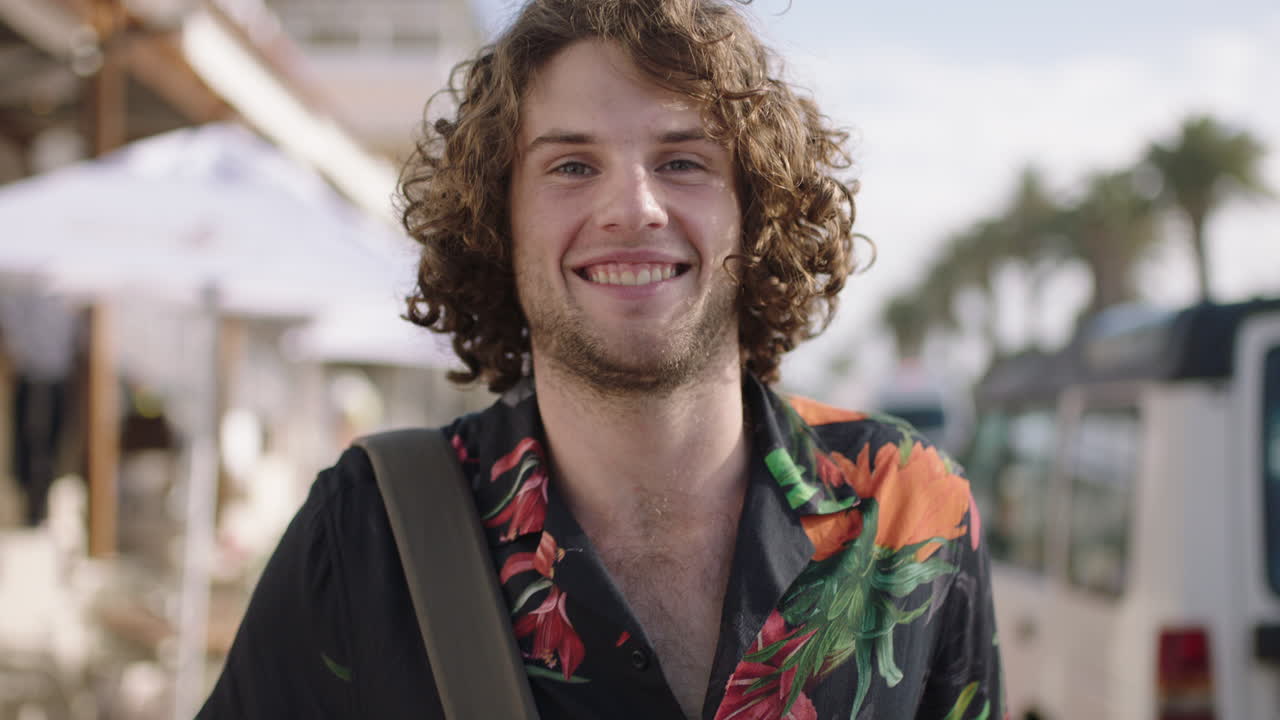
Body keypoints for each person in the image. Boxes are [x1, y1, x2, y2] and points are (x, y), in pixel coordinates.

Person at [200, 0, 1003, 718]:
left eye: (683, 161)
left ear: (756, 211)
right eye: (572, 166)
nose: (632, 207)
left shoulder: (913, 512)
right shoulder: (365, 535)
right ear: (497, 220)